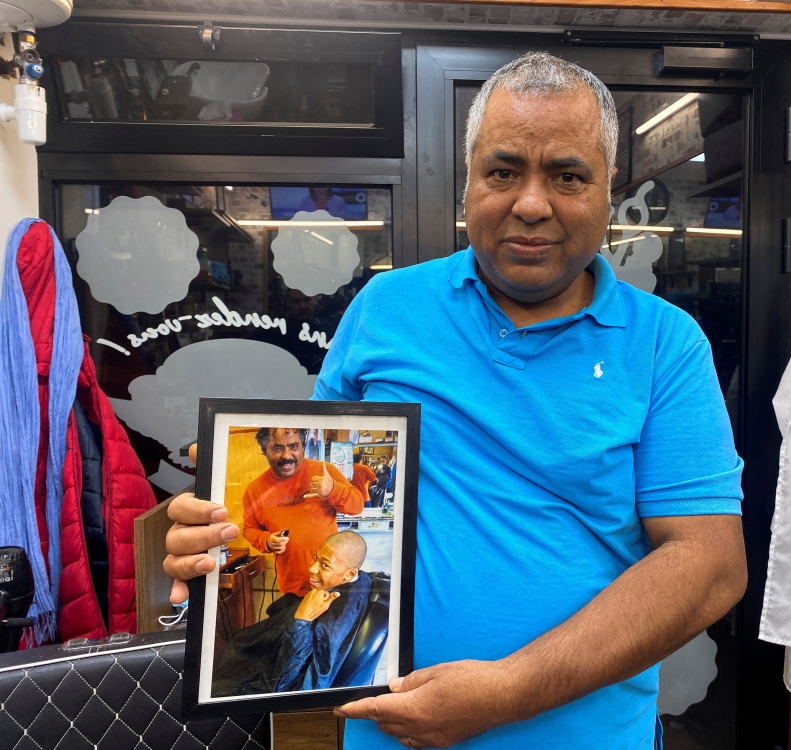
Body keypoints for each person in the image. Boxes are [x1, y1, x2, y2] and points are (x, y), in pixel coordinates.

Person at [165, 52, 747, 750]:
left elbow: (709, 566)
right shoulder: (385, 308)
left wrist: (509, 692)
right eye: (503, 172)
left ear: (607, 188)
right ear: (469, 178)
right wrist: (222, 537)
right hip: (392, 735)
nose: (531, 203)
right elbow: (319, 480)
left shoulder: (664, 345)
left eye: (566, 175)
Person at [212, 530, 374, 696]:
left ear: (350, 574)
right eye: (316, 557)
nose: (311, 568)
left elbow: (303, 690)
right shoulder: (358, 582)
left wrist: (301, 621)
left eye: (325, 565)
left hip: (259, 679)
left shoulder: (337, 617)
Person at [242, 427, 365, 597]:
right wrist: (266, 541)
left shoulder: (324, 472)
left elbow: (357, 505)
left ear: (302, 447)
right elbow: (249, 529)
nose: (287, 455)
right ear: (265, 451)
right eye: (277, 448)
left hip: (332, 585)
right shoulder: (254, 490)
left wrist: (333, 490)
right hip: (293, 587)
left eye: (294, 446)